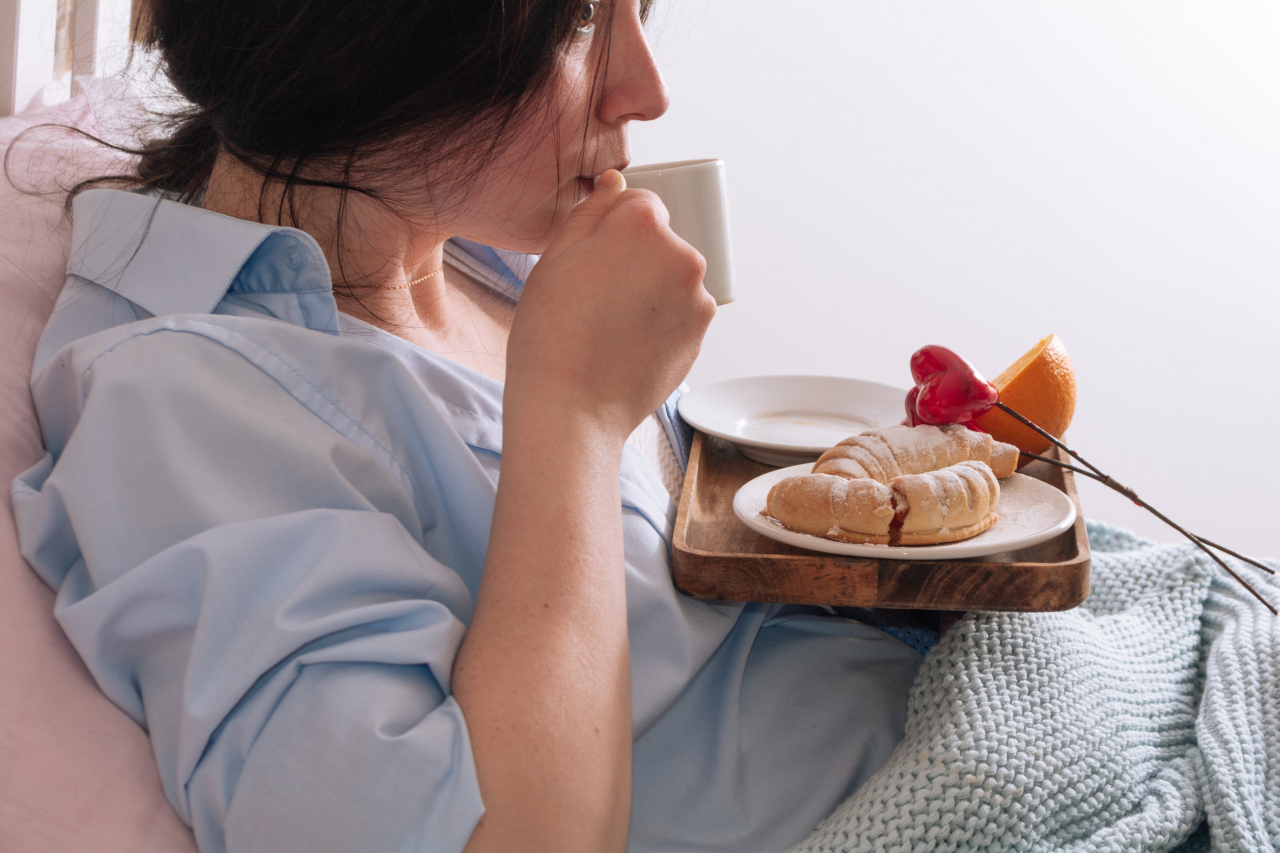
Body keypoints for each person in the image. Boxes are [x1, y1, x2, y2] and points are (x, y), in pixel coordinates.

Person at [11, 1, 924, 850]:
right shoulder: (178, 405)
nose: (646, 91)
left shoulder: (479, 248)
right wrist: (575, 412)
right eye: (573, 21)